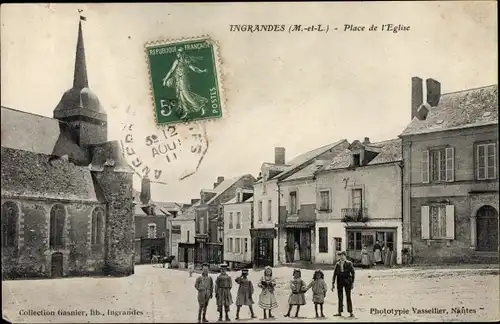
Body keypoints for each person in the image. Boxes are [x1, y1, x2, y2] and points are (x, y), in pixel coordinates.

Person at [162, 47, 209, 118]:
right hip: (178, 80)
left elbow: (194, 68)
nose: (178, 54)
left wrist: (202, 71)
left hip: (183, 80)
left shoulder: (186, 60)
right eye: (177, 53)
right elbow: (171, 70)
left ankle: (201, 106)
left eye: (179, 53)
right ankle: (186, 112)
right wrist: (165, 79)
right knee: (181, 96)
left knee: (186, 95)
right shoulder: (177, 61)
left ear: (182, 53)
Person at [332, 251, 355, 318]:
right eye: (340, 256)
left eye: (342, 255)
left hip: (347, 281)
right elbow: (334, 274)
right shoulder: (337, 264)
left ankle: (350, 312)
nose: (341, 257)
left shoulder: (349, 263)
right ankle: (339, 312)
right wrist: (333, 283)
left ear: (345, 256)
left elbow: (353, 273)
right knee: (340, 297)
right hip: (339, 282)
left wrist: (352, 283)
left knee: (348, 297)